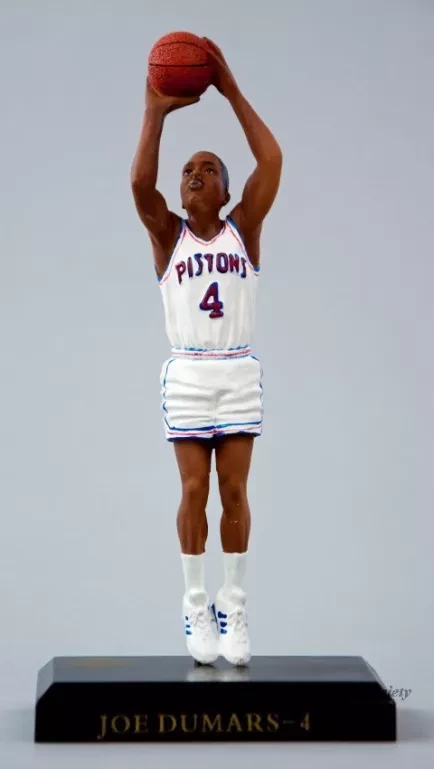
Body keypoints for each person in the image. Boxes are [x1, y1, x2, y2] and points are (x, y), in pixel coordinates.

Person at [131, 39, 282, 666]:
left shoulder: (245, 229)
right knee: (194, 490)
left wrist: (229, 88)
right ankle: (196, 602)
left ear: (225, 191)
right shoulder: (168, 235)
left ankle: (234, 602)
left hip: (237, 368)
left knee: (235, 493)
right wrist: (154, 111)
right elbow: (139, 183)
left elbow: (271, 158)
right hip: (190, 372)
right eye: (187, 171)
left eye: (209, 169)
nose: (195, 174)